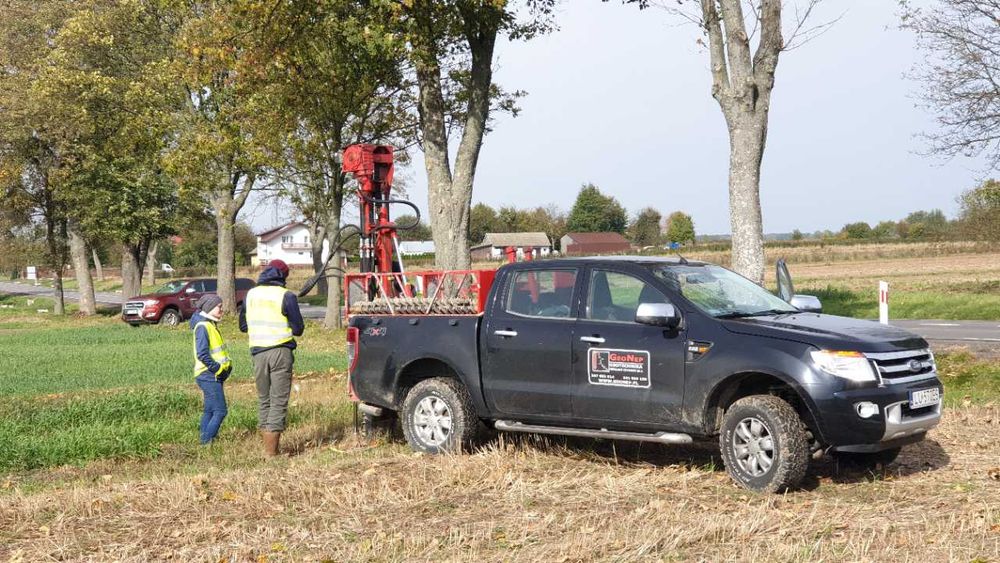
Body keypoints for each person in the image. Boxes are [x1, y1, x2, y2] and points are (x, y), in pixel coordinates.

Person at [239, 259, 304, 456]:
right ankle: (272, 454)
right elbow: (298, 329)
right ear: (283, 276)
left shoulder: (250, 295)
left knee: (264, 399)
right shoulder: (286, 295)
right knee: (278, 401)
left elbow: (243, 326)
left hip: (258, 353)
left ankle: (267, 449)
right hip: (280, 352)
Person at [191, 294, 231, 445]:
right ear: (209, 308)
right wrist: (218, 369)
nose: (222, 310)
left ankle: (204, 440)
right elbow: (202, 354)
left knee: (209, 411)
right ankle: (205, 443)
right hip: (208, 375)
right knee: (220, 411)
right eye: (219, 307)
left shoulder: (210, 324)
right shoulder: (203, 326)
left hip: (210, 375)